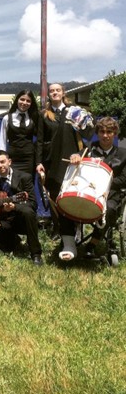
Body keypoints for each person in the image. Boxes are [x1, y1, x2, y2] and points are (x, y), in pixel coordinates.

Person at [36, 83, 94, 261]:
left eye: (57, 90)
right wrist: (39, 162)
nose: (54, 92)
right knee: (57, 201)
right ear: (49, 94)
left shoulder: (74, 112)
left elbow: (88, 135)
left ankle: (75, 233)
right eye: (51, 91)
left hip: (72, 163)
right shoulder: (44, 115)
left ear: (63, 93)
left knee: (72, 199)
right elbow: (40, 140)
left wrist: (80, 152)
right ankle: (65, 237)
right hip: (51, 164)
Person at [69, 116, 126, 253]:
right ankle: (69, 242)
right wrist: (75, 156)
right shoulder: (89, 149)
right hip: (88, 192)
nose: (105, 135)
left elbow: (123, 179)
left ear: (115, 134)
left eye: (109, 132)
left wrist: (104, 185)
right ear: (97, 133)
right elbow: (76, 156)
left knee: (110, 209)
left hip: (110, 195)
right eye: (102, 132)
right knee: (68, 204)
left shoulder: (123, 154)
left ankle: (92, 243)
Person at [0, 150, 43, 265]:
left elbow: (33, 204)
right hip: (2, 220)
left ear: (9, 162)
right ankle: (12, 240)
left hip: (20, 219)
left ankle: (36, 254)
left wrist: (14, 207)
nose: (0, 165)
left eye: (2, 162)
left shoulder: (24, 177)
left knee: (28, 212)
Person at [0, 89, 39, 177]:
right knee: (13, 182)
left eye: (28, 101)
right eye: (22, 99)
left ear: (31, 103)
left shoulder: (34, 118)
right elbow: (3, 140)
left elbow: (40, 138)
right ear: (17, 100)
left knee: (28, 182)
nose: (24, 103)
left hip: (29, 159)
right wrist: (2, 158)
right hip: (12, 159)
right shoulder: (7, 118)